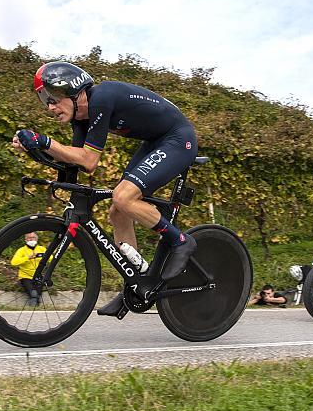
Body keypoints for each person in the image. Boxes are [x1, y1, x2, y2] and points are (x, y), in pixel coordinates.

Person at [12, 62, 199, 316]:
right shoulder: (80, 119)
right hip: (156, 142)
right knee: (117, 212)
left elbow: (89, 160)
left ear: (75, 91)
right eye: (45, 102)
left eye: (54, 99)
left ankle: (180, 241)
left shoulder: (102, 98)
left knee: (123, 197)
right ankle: (136, 284)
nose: (50, 108)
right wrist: (37, 150)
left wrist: (45, 141)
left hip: (178, 138)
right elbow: (76, 161)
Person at [10, 232, 47, 306]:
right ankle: (33, 305)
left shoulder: (42, 249)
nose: (31, 239)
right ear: (25, 240)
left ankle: (36, 310)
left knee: (37, 295)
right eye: (29, 238)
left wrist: (43, 256)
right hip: (25, 276)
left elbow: (51, 259)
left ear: (37, 239)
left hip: (38, 276)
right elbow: (13, 262)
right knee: (34, 294)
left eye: (33, 237)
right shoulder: (21, 250)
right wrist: (27, 258)